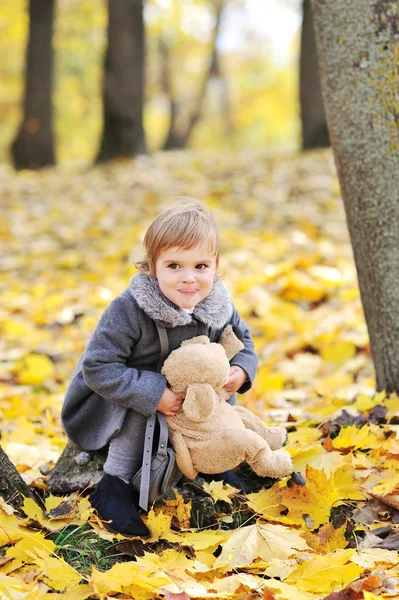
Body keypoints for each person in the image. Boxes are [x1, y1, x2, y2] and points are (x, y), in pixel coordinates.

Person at [61, 201, 258, 537]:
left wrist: (240, 370)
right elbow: (98, 367)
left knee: (215, 377)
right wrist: (154, 394)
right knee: (145, 400)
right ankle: (115, 485)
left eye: (200, 265)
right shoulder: (130, 310)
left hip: (186, 399)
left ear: (215, 266)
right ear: (152, 267)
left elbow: (245, 343)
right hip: (113, 395)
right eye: (174, 266)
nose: (189, 278)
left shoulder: (217, 304)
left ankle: (213, 460)